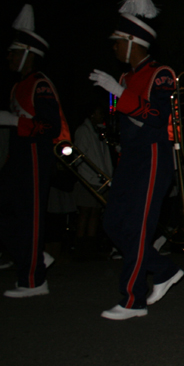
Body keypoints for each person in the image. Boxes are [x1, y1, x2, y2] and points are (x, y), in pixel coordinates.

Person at [89, 0, 184, 320]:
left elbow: (158, 117)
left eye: (118, 40)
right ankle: (163, 268)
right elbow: (123, 114)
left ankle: (133, 300)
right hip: (129, 157)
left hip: (154, 157)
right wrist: (116, 99)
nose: (114, 47)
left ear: (132, 41)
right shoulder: (126, 76)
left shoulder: (161, 74)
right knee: (114, 223)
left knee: (139, 226)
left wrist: (119, 94)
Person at [0, 5, 68, 297]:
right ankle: (34, 259)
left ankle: (34, 280)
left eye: (14, 52)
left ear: (28, 53)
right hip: (16, 159)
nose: (9, 57)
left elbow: (49, 126)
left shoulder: (40, 84)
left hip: (34, 159)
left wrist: (15, 121)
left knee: (30, 218)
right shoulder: (18, 86)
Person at [72, 101, 114, 258]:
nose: (101, 116)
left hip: (100, 178)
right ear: (91, 114)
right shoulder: (83, 131)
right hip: (88, 178)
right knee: (85, 212)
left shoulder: (99, 132)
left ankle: (90, 246)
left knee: (95, 212)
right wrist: (88, 174)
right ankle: (80, 246)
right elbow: (79, 155)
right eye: (99, 113)